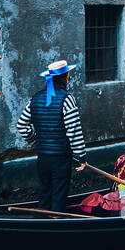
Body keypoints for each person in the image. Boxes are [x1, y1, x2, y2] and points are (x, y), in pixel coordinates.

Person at [16, 59, 87, 212]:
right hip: (60, 157)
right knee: (59, 194)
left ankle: (42, 220)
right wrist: (81, 157)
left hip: (42, 156)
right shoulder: (67, 99)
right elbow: (73, 130)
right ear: (65, 77)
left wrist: (36, 140)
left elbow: (21, 125)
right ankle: (56, 219)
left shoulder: (35, 98)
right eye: (67, 75)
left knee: (45, 191)